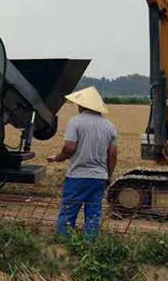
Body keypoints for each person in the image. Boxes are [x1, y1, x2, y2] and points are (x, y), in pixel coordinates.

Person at [48, 86, 118, 239]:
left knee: (68, 212)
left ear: (83, 105)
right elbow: (112, 155)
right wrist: (108, 176)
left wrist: (57, 158)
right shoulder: (109, 126)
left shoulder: (76, 122)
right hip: (99, 177)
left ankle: (63, 245)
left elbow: (69, 148)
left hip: (77, 176)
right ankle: (90, 246)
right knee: (93, 214)